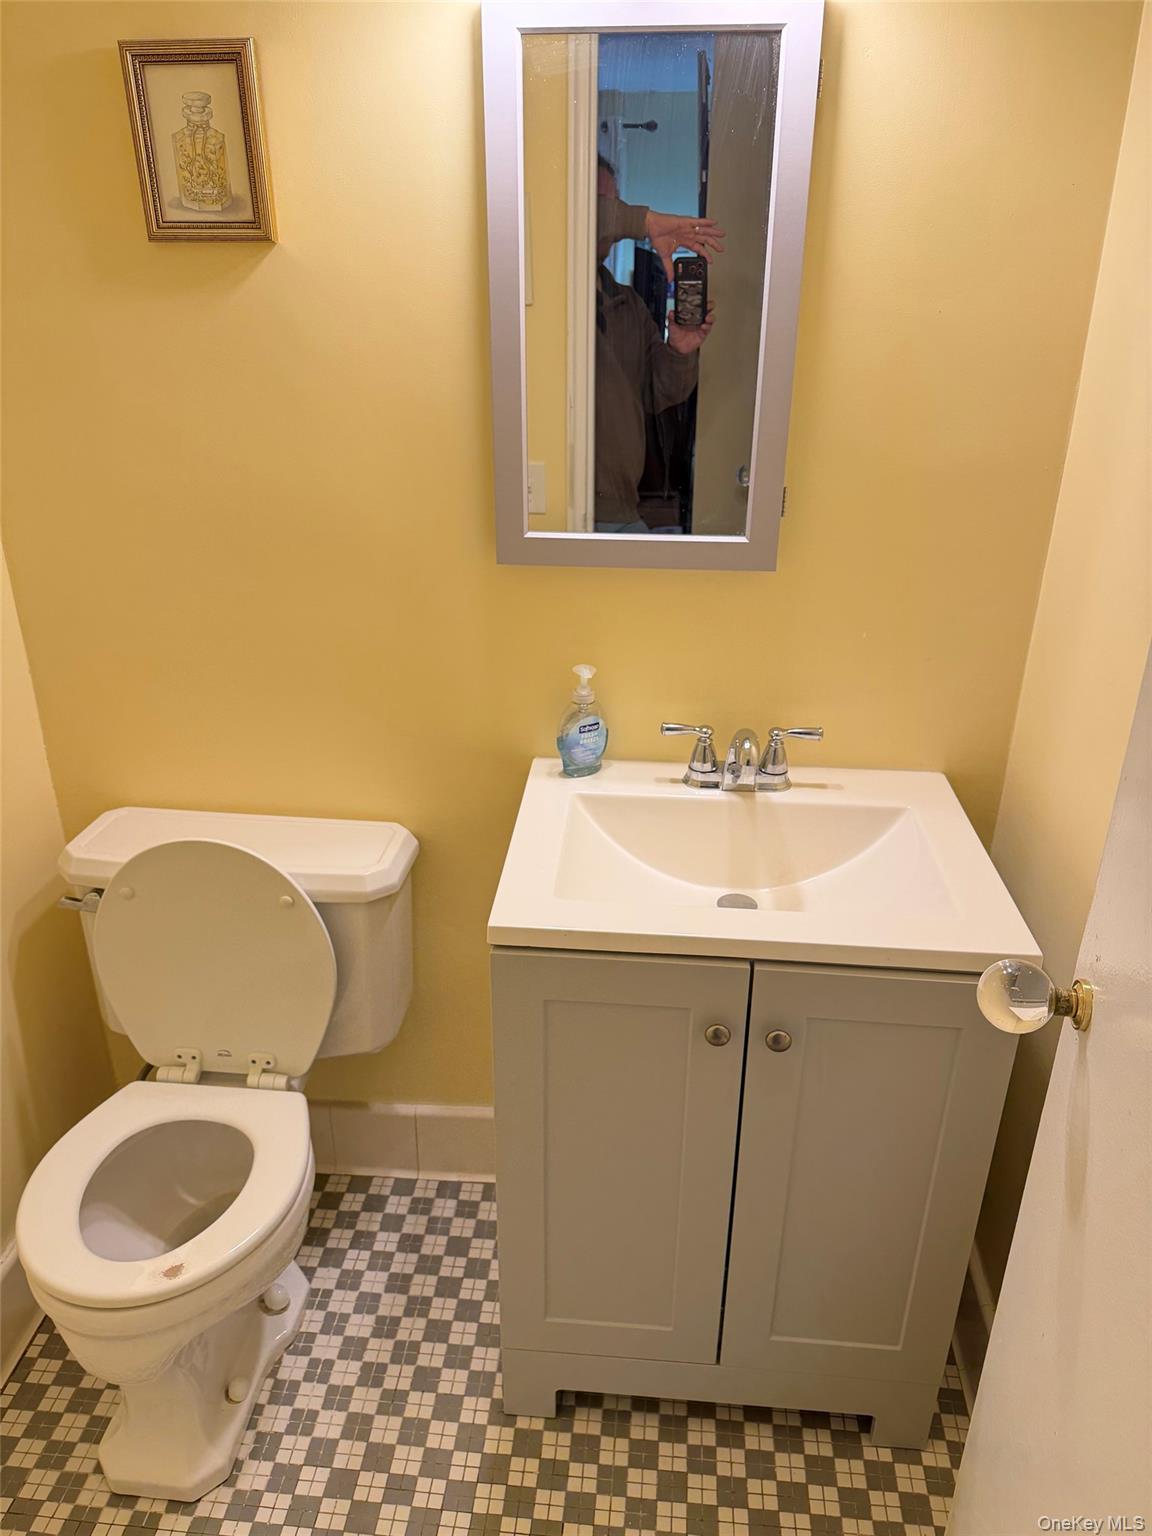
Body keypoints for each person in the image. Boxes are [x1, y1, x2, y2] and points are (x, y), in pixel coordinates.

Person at [594, 158, 725, 533]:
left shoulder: (626, 304)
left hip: (620, 509)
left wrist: (680, 350)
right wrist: (647, 222)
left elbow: (659, 393)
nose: (611, 217)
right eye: (604, 204)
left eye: (615, 202)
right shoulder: (550, 296)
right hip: (561, 503)